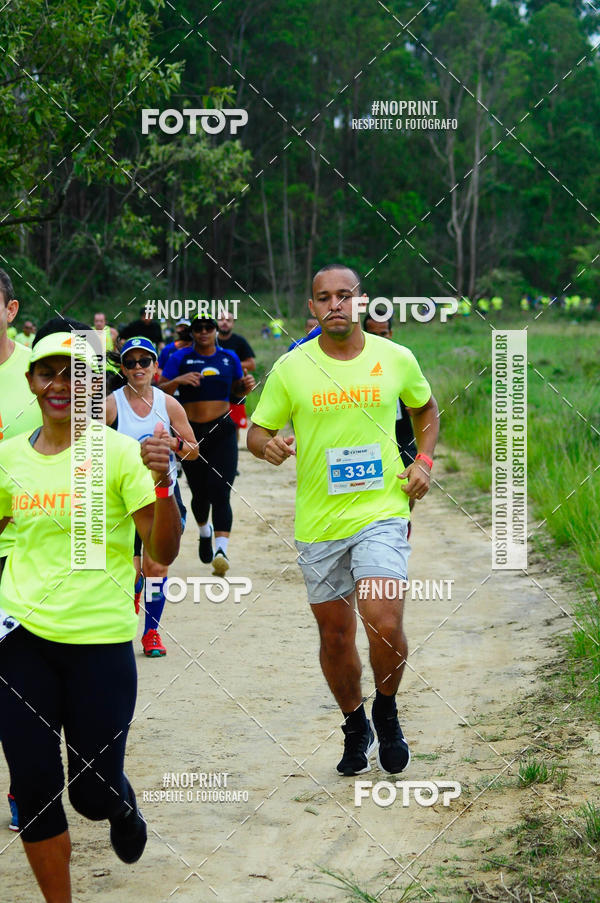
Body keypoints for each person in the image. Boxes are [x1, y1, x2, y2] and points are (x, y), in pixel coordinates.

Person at [0, 317, 181, 901]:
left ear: (93, 385)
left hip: (99, 642)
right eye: (47, 372)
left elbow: (161, 551)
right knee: (33, 786)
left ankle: (120, 805)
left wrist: (162, 483)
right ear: (31, 381)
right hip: (19, 637)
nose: (60, 384)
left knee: (91, 794)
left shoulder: (123, 455)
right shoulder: (8, 458)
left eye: (74, 374)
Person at [248, 264, 438, 777]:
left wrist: (423, 461)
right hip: (320, 522)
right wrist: (269, 446)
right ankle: (355, 724)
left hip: (382, 511)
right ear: (311, 307)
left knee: (384, 620)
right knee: (335, 635)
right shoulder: (292, 367)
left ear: (361, 302)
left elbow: (425, 410)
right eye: (324, 297)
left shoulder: (395, 357)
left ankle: (387, 711)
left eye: (344, 295)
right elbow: (257, 432)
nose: (335, 304)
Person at [106, 337, 198, 657]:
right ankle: (133, 593)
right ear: (123, 369)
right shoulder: (111, 405)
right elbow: (89, 447)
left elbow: (194, 451)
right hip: (123, 500)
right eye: (131, 362)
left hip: (162, 494)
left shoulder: (168, 405)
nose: (138, 367)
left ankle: (152, 633)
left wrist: (172, 443)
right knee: (134, 572)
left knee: (156, 567)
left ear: (155, 366)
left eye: (144, 361)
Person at [160, 315, 255, 575]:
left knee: (221, 491)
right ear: (192, 332)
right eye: (198, 328)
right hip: (191, 433)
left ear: (215, 331)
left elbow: (236, 393)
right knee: (200, 494)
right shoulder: (179, 358)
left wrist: (245, 387)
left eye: (208, 327)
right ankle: (204, 531)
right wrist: (178, 381)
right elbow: (159, 390)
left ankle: (221, 551)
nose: (203, 331)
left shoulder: (229, 358)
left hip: (222, 430)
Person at [0, 269, 43, 833]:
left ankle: (23, 784)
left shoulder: (42, 371)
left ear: (11, 310)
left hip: (23, 548)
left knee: (17, 678)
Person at [362, 311, 417, 532]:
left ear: (391, 333)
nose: (379, 339)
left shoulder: (401, 359)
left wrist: (414, 406)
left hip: (401, 434)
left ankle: (403, 524)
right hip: (368, 437)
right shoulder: (355, 363)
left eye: (383, 333)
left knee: (408, 486)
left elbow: (421, 399)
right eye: (373, 334)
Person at [217, 311, 256, 437]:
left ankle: (234, 447)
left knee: (234, 428)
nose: (224, 322)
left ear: (233, 323)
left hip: (236, 391)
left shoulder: (239, 341)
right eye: (221, 319)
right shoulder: (209, 340)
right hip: (214, 391)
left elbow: (251, 364)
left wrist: (230, 363)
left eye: (228, 320)